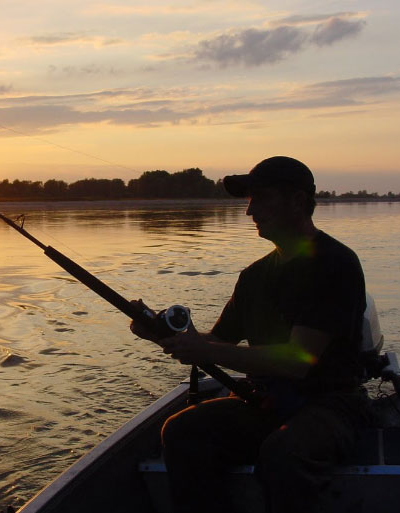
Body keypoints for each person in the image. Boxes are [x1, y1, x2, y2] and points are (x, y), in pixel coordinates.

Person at [131, 156, 371, 513]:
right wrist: (162, 333)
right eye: (249, 200)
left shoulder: (334, 264)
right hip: (266, 401)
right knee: (182, 431)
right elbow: (219, 343)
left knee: (284, 452)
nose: (250, 211)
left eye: (261, 198)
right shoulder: (255, 275)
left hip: (331, 405)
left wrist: (204, 350)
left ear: (298, 201)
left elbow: (297, 362)